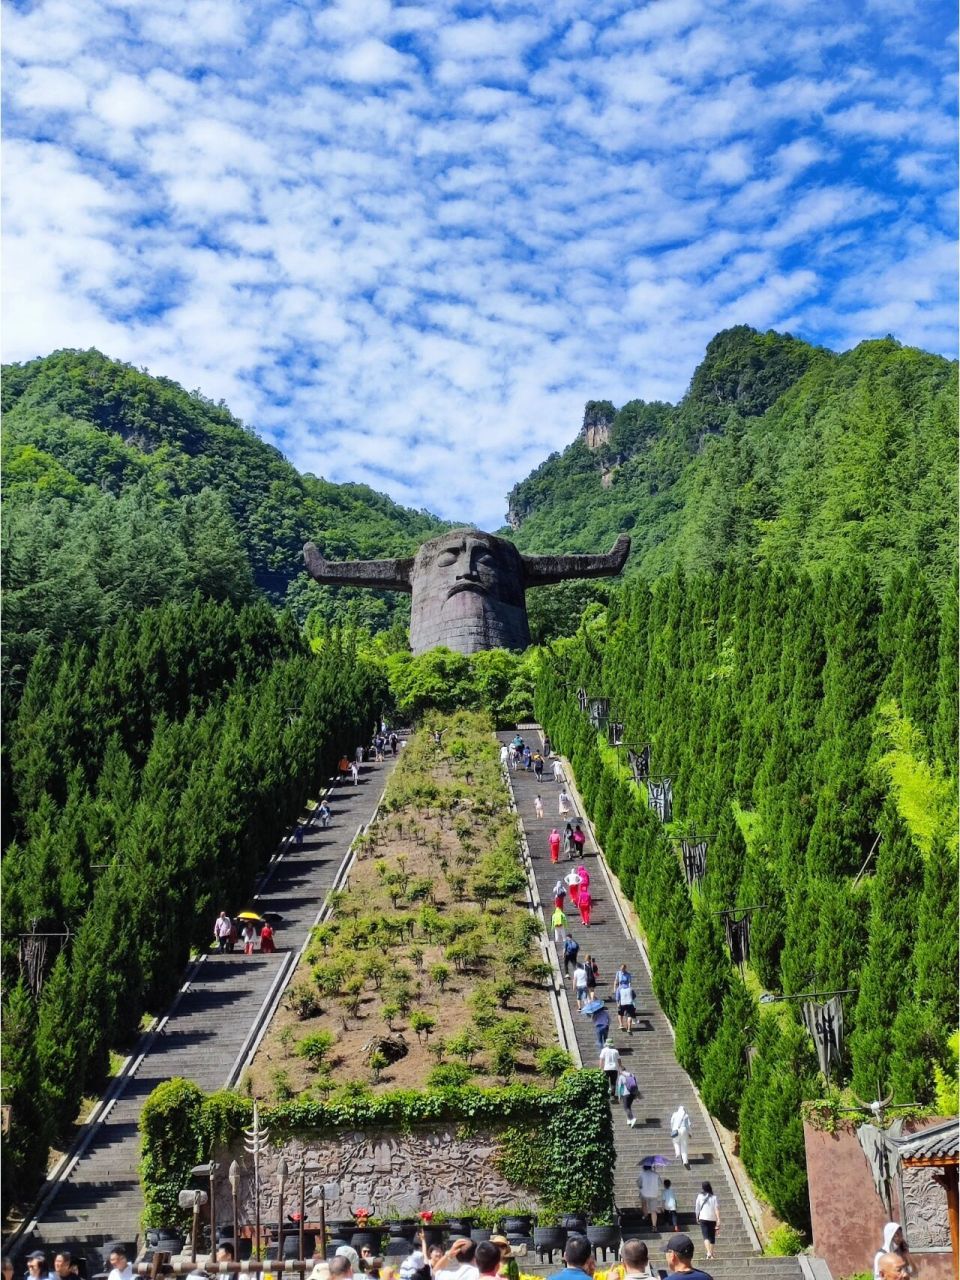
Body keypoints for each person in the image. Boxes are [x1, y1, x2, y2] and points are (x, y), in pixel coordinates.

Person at [694, 1182, 719, 1261]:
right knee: (712, 1237)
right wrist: (718, 1219)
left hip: (703, 1218)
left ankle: (708, 1252)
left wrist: (697, 1216)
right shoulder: (714, 1197)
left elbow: (697, 1208)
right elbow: (716, 1209)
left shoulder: (699, 1196)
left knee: (706, 1236)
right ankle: (711, 1253)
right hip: (712, 1218)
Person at [637, 1164, 663, 1233]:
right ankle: (654, 1226)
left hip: (644, 1193)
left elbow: (639, 1184)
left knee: (644, 1204)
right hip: (654, 1194)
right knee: (653, 1210)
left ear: (644, 1168)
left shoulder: (642, 1174)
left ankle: (645, 1215)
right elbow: (660, 1183)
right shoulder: (655, 1174)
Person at [670, 1102, 692, 1168]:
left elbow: (671, 1122)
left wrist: (673, 1129)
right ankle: (685, 1161)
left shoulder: (675, 1114)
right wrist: (690, 1133)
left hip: (676, 1130)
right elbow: (689, 1125)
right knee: (684, 1146)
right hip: (684, 1130)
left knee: (675, 1142)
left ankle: (677, 1153)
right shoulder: (686, 1115)